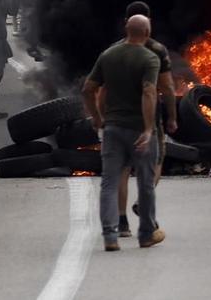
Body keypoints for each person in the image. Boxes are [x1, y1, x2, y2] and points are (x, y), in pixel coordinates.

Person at [85, 14, 163, 251]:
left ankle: (110, 236)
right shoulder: (150, 58)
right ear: (147, 33)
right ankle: (147, 234)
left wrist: (98, 118)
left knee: (109, 182)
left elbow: (89, 89)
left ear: (126, 30)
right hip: (138, 130)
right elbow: (149, 93)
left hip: (113, 129)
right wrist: (149, 129)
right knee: (145, 183)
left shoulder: (108, 55)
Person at [114, 1, 179, 238]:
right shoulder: (157, 50)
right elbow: (167, 87)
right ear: (149, 25)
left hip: (119, 116)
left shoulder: (113, 51)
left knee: (122, 168)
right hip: (148, 117)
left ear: (126, 24)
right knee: (154, 163)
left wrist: (99, 117)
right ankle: (144, 204)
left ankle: (121, 222)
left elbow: (97, 87)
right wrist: (172, 115)